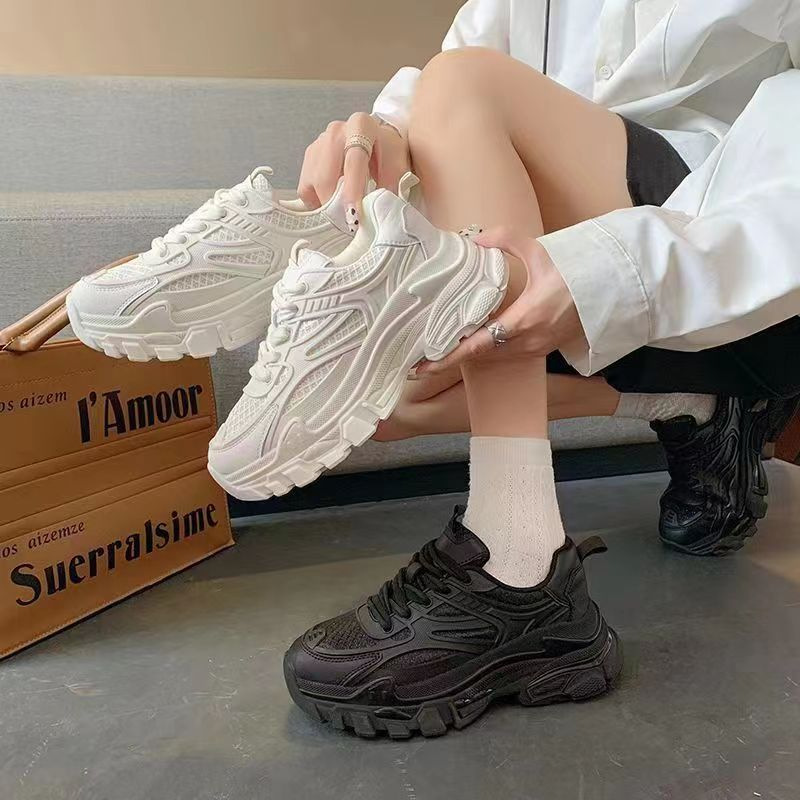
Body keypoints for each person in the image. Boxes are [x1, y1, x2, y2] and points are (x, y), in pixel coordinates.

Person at [67, 0, 800, 737]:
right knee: (391, 390)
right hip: (566, 250)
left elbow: (470, 84)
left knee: (465, 84)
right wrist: (381, 139)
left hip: (744, 266)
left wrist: (617, 268)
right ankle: (694, 406)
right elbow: (456, 100)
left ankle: (520, 562)